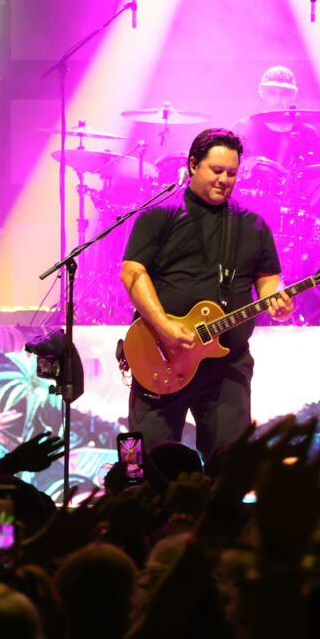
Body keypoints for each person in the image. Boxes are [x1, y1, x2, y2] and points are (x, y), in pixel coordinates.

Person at [114, 128, 291, 457]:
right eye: (217, 170)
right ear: (193, 165)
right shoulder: (159, 214)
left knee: (231, 464)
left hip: (226, 364)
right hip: (161, 353)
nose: (225, 180)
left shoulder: (252, 224)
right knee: (143, 462)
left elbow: (268, 278)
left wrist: (277, 298)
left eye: (232, 173)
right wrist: (164, 327)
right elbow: (132, 272)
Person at [230, 65, 320, 170]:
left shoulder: (307, 133)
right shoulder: (242, 128)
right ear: (262, 94)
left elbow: (319, 175)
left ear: (293, 96)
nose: (277, 101)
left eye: (283, 95)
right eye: (272, 94)